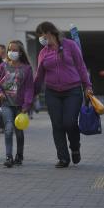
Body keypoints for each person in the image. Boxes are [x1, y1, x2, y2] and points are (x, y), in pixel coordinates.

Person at [34, 21, 92, 168]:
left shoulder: (70, 45)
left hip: (72, 90)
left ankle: (75, 146)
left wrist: (87, 86)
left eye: (41, 35)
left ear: (49, 32)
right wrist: (32, 93)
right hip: (52, 92)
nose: (41, 38)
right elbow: (39, 76)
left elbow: (81, 66)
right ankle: (63, 158)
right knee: (57, 125)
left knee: (70, 122)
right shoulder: (43, 53)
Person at [0, 40, 34, 168]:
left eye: (15, 50)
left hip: (20, 106)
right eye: (10, 50)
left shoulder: (27, 69)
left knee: (19, 132)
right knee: (8, 129)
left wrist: (27, 104)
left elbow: (29, 88)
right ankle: (8, 156)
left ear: (21, 52)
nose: (12, 52)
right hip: (6, 103)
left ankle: (19, 155)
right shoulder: (2, 66)